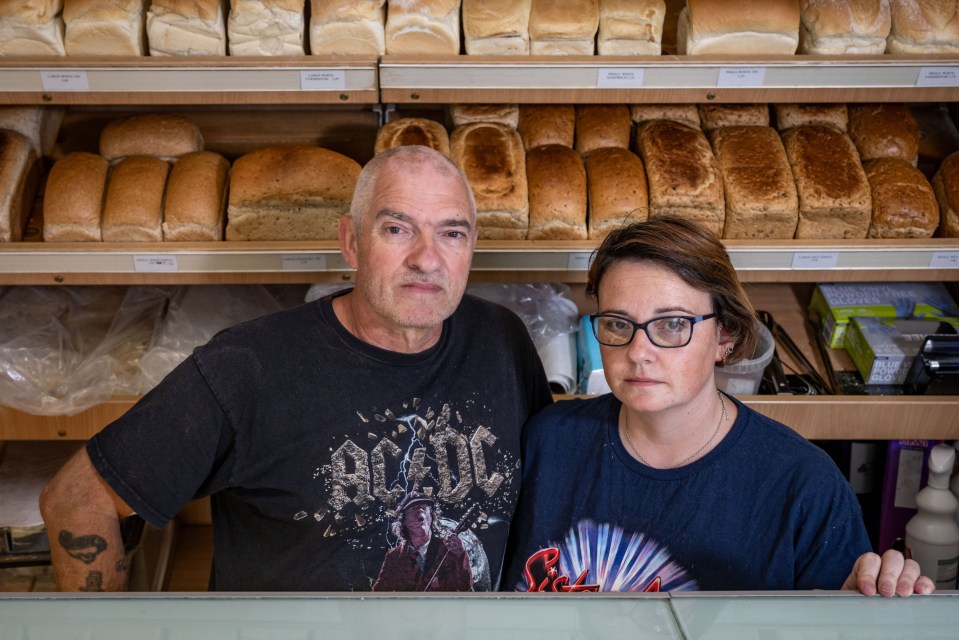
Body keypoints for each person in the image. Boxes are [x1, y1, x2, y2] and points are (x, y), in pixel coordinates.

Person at [40, 145, 553, 592]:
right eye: (397, 228)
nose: (427, 258)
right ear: (351, 242)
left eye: (452, 233)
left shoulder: (501, 341)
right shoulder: (250, 368)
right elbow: (76, 498)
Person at [503, 215, 935, 596]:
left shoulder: (803, 486)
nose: (638, 351)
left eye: (672, 324)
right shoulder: (549, 440)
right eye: (619, 323)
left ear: (724, 337)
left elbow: (839, 625)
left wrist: (867, 599)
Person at [372, 491, 473, 591]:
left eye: (424, 508)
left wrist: (460, 555)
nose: (420, 510)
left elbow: (465, 586)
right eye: (413, 508)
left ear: (431, 516)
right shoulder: (393, 557)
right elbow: (378, 593)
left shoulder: (448, 549)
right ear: (404, 521)